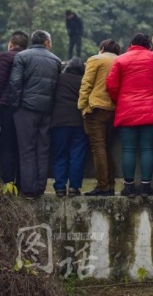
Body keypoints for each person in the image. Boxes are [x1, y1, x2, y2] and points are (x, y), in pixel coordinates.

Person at [106, 33, 153, 198]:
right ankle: (146, 187)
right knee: (147, 148)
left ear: (131, 44)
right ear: (148, 45)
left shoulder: (121, 60)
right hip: (150, 109)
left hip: (127, 110)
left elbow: (111, 85)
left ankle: (129, 187)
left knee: (128, 149)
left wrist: (118, 100)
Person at [9, 30, 62, 199]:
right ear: (47, 42)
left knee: (27, 149)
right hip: (46, 110)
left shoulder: (22, 57)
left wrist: (14, 106)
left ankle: (29, 189)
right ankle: (40, 187)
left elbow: (15, 83)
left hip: (26, 109)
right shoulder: (56, 60)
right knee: (43, 149)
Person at [78, 39, 120, 196]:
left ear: (101, 48)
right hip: (114, 110)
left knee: (98, 147)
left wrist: (83, 107)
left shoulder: (96, 59)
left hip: (97, 108)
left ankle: (103, 186)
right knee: (106, 147)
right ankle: (110, 184)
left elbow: (86, 84)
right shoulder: (120, 60)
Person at [51, 58, 88, 197]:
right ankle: (74, 187)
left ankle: (60, 187)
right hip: (79, 122)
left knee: (60, 155)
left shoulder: (59, 79)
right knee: (77, 155)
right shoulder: (83, 81)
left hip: (59, 122)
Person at [0, 31, 28, 191]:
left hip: (6, 107)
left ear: (11, 44)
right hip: (25, 108)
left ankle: (8, 181)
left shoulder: (5, 57)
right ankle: (21, 182)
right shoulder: (29, 59)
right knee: (22, 145)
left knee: (7, 144)